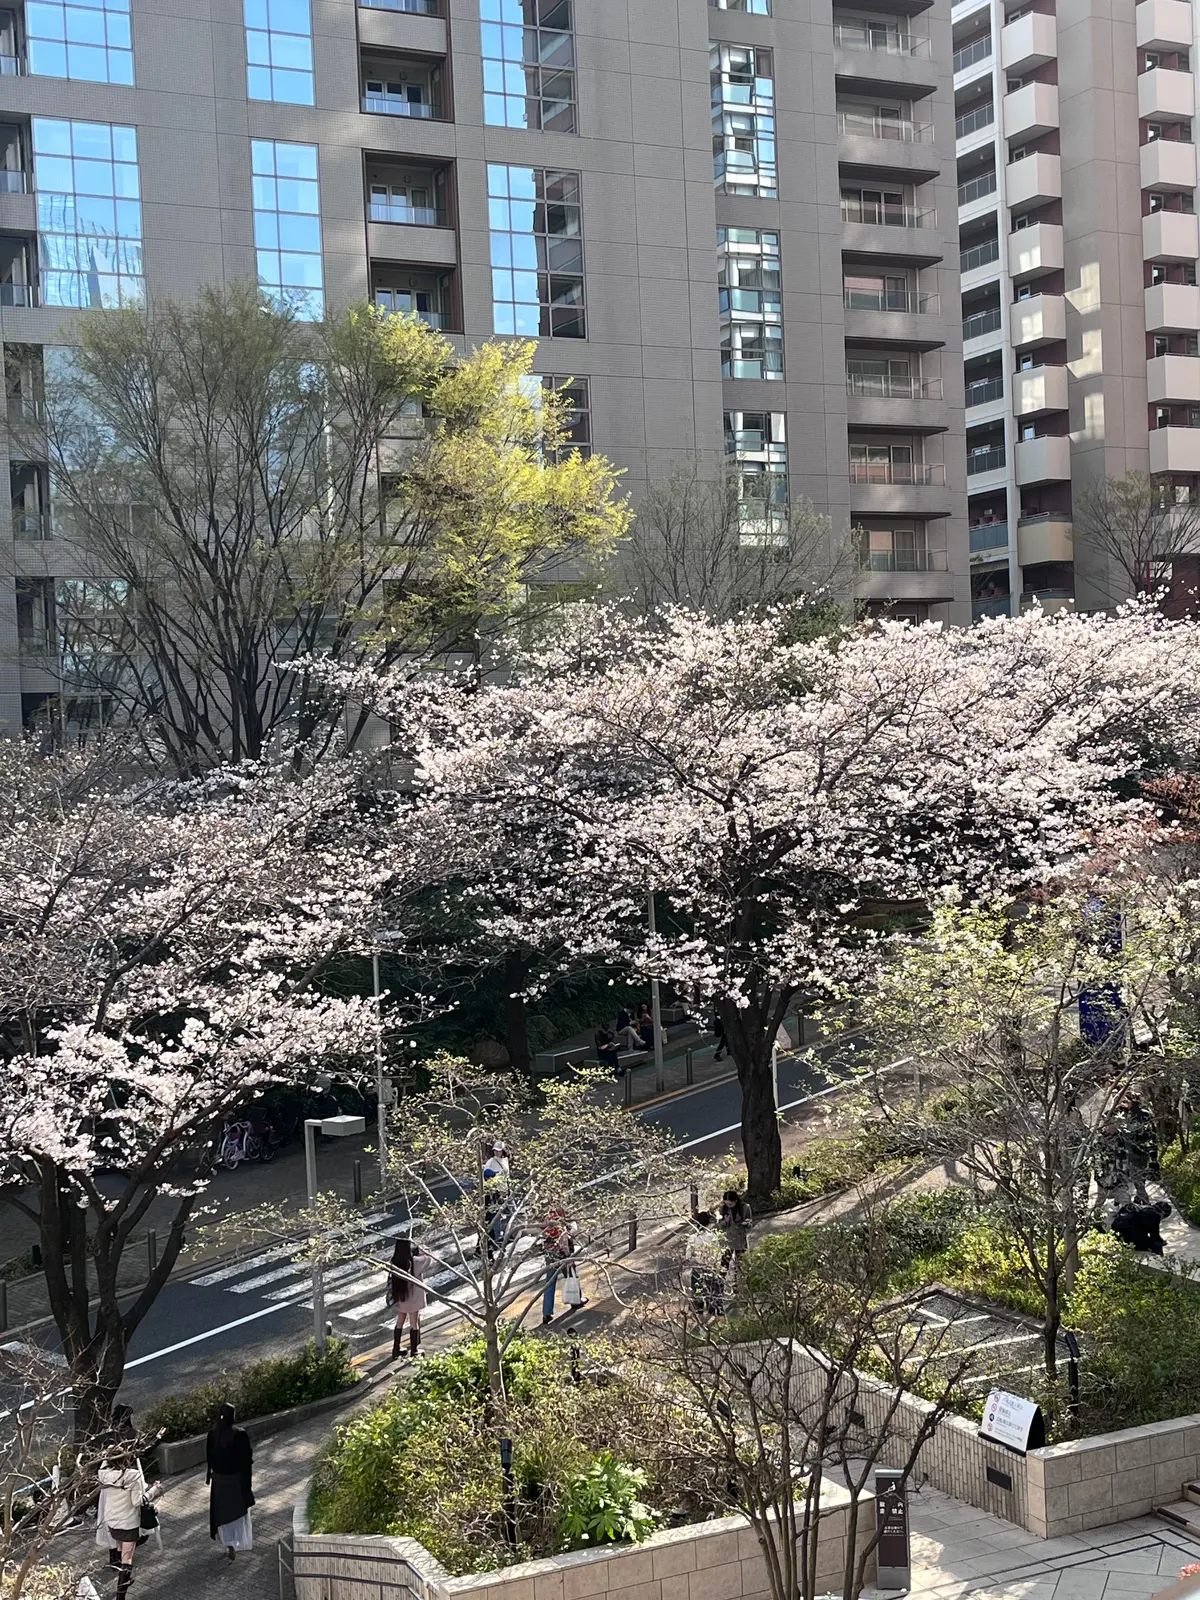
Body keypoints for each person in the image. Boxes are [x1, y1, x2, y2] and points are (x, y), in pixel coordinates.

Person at [96, 1445, 149, 1597]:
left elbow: (104, 1465)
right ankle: (121, 1593)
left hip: (112, 1521)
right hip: (128, 1522)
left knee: (120, 1548)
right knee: (128, 1558)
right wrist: (154, 1491)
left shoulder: (104, 1475)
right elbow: (136, 1502)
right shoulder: (133, 1476)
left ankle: (124, 1577)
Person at [206, 1404, 255, 1561]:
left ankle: (228, 1543)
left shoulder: (212, 1434)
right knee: (238, 1513)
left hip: (219, 1482)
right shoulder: (239, 1434)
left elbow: (209, 1458)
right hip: (236, 1481)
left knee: (223, 1514)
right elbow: (246, 1460)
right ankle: (237, 1540)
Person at [541, 1206, 585, 1323]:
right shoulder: (559, 1213)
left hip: (549, 1252)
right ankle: (576, 1300)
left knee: (550, 1282)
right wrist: (568, 1256)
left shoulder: (545, 1214)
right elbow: (564, 1237)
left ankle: (547, 1312)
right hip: (562, 1253)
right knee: (572, 1275)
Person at [386, 1234, 426, 1360]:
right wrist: (422, 1248)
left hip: (401, 1296)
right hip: (413, 1297)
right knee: (414, 1323)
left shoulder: (394, 1262)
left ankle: (396, 1348)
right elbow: (429, 1258)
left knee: (400, 1321)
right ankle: (414, 1350)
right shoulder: (414, 1262)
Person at [684, 1212, 726, 1318]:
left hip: (698, 1269)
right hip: (711, 1268)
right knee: (714, 1292)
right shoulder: (713, 1236)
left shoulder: (693, 1238)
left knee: (698, 1292)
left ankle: (700, 1313)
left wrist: (695, 1260)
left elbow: (688, 1256)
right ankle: (715, 1312)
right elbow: (718, 1254)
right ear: (708, 1223)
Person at [1120, 1095, 1157, 1203]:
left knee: (1135, 1176)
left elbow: (1127, 1134)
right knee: (1141, 1175)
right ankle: (1139, 1197)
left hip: (1133, 1150)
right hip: (1145, 1150)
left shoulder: (1129, 1116)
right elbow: (1153, 1133)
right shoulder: (1147, 1114)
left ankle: (1144, 1198)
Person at [717, 1188, 753, 1273]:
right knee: (724, 1263)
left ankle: (739, 1282)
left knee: (741, 1263)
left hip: (740, 1238)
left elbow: (750, 1223)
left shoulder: (745, 1207)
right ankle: (721, 1283)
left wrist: (745, 1224)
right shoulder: (723, 1209)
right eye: (726, 1204)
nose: (729, 1206)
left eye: (730, 1204)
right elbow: (719, 1225)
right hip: (728, 1239)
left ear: (736, 1200)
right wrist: (725, 1221)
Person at [483, 1141, 510, 1247]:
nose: (497, 1153)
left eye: (499, 1151)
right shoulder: (491, 1161)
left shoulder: (505, 1160)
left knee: (509, 1212)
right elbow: (485, 1173)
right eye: (495, 1151)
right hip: (496, 1191)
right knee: (497, 1214)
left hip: (505, 1189)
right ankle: (498, 1236)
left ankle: (506, 1233)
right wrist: (494, 1175)